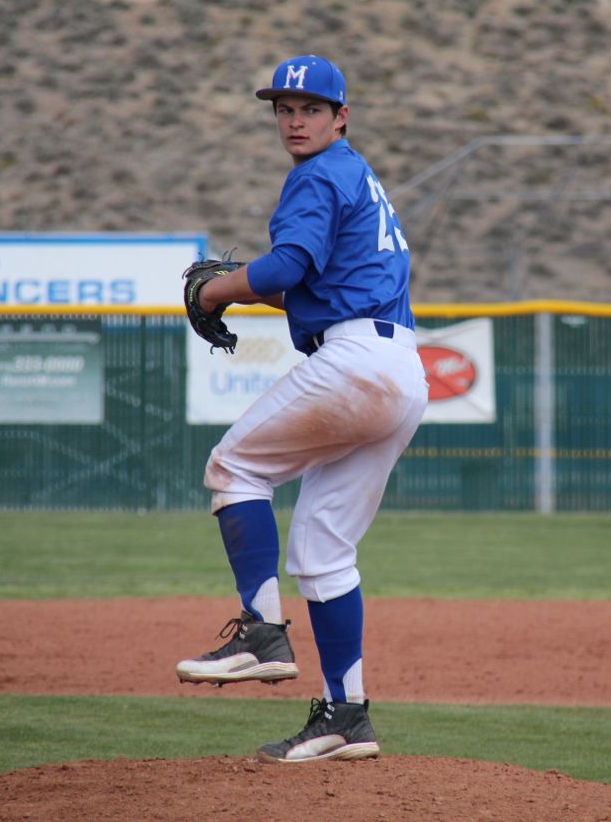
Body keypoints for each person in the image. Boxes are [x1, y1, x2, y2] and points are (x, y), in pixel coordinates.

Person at [174, 54, 427, 764]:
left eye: (311, 108)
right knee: (323, 552)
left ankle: (261, 633)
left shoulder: (317, 175)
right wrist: (240, 286)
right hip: (400, 368)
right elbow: (311, 287)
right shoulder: (358, 177)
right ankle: (346, 716)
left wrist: (217, 290)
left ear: (340, 117)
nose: (295, 120)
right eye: (284, 109)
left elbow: (285, 268)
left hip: (357, 363)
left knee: (234, 468)